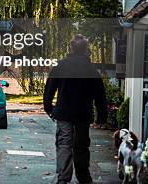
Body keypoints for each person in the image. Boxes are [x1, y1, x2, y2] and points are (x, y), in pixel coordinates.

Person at [44, 34, 108, 184]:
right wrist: (101, 117)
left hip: (64, 113)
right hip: (83, 114)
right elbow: (100, 95)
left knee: (64, 145)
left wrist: (49, 107)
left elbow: (50, 88)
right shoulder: (91, 69)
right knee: (81, 146)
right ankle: (84, 178)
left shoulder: (61, 65)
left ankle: (63, 178)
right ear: (85, 49)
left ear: (71, 48)